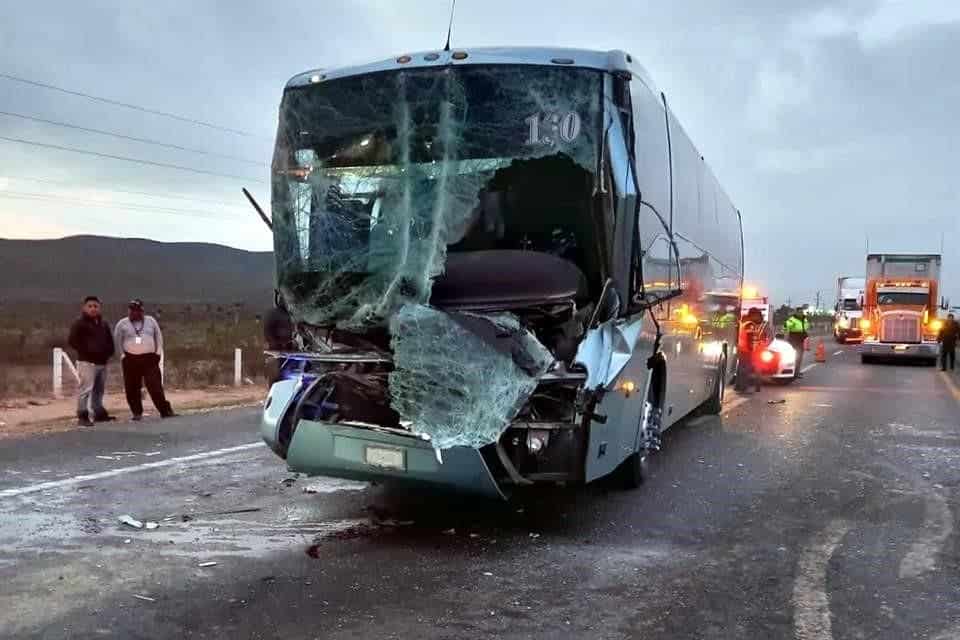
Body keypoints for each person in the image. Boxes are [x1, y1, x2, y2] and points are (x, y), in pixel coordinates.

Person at [114, 299, 174, 420]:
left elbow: (158, 337)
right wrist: (122, 356)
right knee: (132, 387)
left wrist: (157, 353)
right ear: (129, 311)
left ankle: (165, 410)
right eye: (132, 310)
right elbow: (117, 341)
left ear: (142, 310)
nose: (135, 313)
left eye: (137, 310)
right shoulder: (122, 323)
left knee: (155, 385)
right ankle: (137, 413)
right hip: (130, 359)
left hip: (149, 359)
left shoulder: (151, 321)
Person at [67, 295, 116, 426]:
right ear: (84, 308)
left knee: (99, 390)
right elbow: (72, 341)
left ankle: (99, 412)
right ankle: (82, 415)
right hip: (87, 362)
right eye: (90, 306)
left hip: (102, 362)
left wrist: (109, 353)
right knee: (86, 389)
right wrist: (86, 351)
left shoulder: (103, 324)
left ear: (99, 308)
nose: (93, 309)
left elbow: (110, 341)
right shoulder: (79, 323)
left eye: (95, 306)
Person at [736, 307, 766, 393]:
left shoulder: (744, 322)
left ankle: (739, 387)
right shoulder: (750, 324)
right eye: (757, 315)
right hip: (746, 350)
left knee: (741, 369)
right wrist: (751, 350)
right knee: (745, 369)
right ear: (753, 315)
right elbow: (750, 338)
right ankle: (743, 388)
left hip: (742, 348)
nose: (758, 317)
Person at [784, 307, 810, 378]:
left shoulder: (804, 319)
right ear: (796, 312)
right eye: (799, 312)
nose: (801, 313)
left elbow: (806, 327)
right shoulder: (792, 319)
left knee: (799, 357)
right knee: (795, 357)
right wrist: (785, 334)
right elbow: (785, 326)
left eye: (802, 312)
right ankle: (793, 372)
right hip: (794, 340)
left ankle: (797, 372)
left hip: (801, 340)